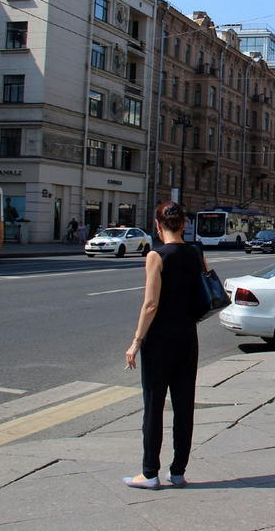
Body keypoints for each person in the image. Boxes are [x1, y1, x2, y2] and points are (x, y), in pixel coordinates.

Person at [124, 201, 203, 490]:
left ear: (157, 226)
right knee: (184, 406)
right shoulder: (196, 253)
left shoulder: (156, 256)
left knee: (153, 405)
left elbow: (150, 304)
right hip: (187, 337)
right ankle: (179, 471)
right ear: (183, 225)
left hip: (159, 340)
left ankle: (149, 473)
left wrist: (136, 342)